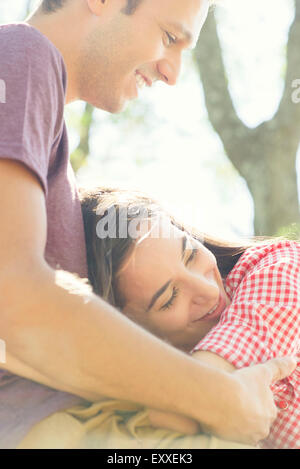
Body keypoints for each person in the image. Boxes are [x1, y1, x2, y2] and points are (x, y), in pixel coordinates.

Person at [0, 0, 296, 449]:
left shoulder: (55, 164)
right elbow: (14, 293)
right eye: (168, 37)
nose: (173, 72)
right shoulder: (24, 55)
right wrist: (220, 398)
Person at [79, 187, 300, 449]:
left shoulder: (276, 266)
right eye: (170, 298)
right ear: (131, 330)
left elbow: (177, 411)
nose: (207, 291)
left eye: (191, 255)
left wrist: (193, 403)